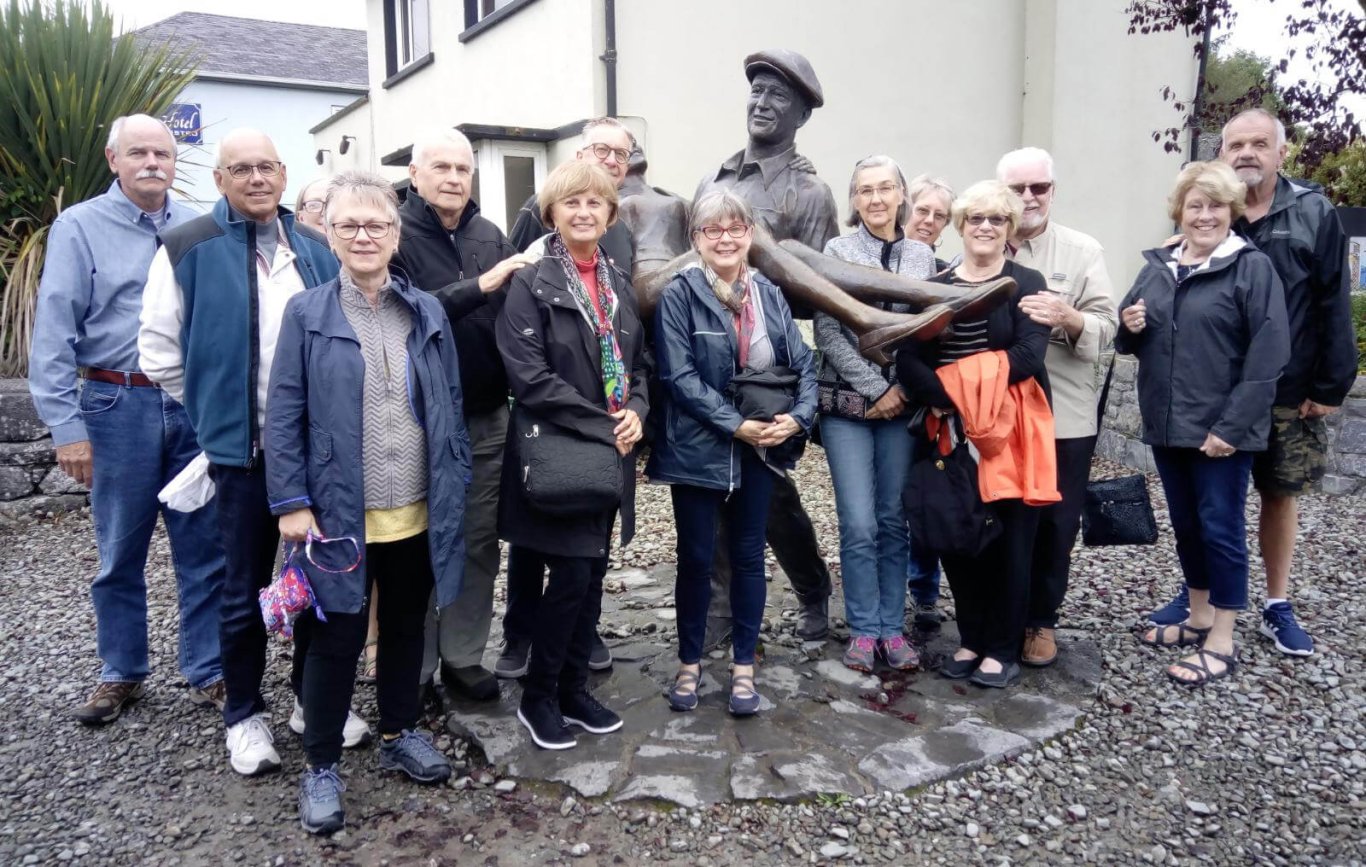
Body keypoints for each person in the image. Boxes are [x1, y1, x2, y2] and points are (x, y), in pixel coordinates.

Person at [266, 171, 470, 834]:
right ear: (328, 228)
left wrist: (454, 477)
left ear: (394, 233)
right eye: (349, 223)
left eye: (376, 224)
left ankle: (398, 733)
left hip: (414, 503)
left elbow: (449, 403)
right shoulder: (308, 312)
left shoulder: (426, 311)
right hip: (337, 513)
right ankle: (321, 763)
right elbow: (285, 412)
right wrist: (293, 501)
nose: (363, 235)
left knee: (407, 626)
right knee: (335, 637)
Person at [138, 128, 343, 775]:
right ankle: (244, 715)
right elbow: (159, 353)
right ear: (220, 180)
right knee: (243, 586)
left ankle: (311, 700)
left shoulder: (314, 248)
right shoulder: (187, 247)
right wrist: (214, 411)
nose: (256, 178)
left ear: (284, 175)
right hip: (241, 453)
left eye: (267, 167)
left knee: (318, 577)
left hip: (315, 451)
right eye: (241, 169)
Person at [27, 114, 226, 725]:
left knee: (205, 546)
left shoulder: (200, 227)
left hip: (191, 404)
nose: (152, 163)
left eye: (162, 153)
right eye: (137, 152)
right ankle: (121, 671)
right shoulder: (80, 227)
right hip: (117, 406)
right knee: (119, 549)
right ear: (113, 159)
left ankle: (209, 667)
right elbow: (53, 333)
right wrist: (68, 429)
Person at [1149, 109, 1359, 658]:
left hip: (1288, 388)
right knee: (1211, 504)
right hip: (1217, 392)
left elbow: (1333, 300)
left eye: (1259, 144)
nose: (1246, 153)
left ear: (1280, 152)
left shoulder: (1312, 213)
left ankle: (1275, 602)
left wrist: (1332, 384)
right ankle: (1204, 598)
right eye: (1235, 144)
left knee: (1277, 493)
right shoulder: (1216, 211)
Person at [1118, 160, 1290, 686]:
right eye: (1195, 205)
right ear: (1179, 211)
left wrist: (1231, 429)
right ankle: (1197, 616)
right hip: (1170, 426)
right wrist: (1130, 325)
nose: (1205, 215)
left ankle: (1223, 637)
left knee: (1221, 529)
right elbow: (1130, 336)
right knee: (1188, 527)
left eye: (1216, 205)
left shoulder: (1250, 268)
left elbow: (1270, 356)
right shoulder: (1159, 267)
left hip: (1221, 432)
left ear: (1232, 211)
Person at [496, 161, 649, 750]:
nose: (584, 213)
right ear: (551, 213)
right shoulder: (530, 282)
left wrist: (637, 407)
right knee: (570, 576)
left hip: (610, 447)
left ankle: (572, 688)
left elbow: (641, 364)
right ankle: (539, 698)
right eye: (571, 203)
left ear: (610, 214)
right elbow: (529, 378)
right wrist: (604, 423)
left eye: (595, 204)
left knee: (591, 577)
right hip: (560, 449)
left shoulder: (615, 280)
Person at [649, 190, 818, 714]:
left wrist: (798, 416)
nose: (725, 238)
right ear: (696, 239)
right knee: (696, 561)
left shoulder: (768, 292)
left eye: (735, 228)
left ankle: (744, 668)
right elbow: (677, 375)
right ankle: (690, 664)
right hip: (698, 452)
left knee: (748, 559)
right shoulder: (679, 294)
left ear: (749, 234)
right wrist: (735, 424)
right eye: (712, 230)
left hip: (761, 450)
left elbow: (805, 365)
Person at [693, 48, 836, 644]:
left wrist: (760, 287)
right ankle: (722, 608)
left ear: (801, 113)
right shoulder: (713, 180)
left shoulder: (810, 193)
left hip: (768, 367)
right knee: (713, 482)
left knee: (770, 488)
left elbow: (817, 292)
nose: (761, 102)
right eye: (756, 90)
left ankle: (812, 586)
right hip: (707, 358)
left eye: (778, 94)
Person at [392, 128, 534, 702]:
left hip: (484, 415)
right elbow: (408, 313)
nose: (453, 178)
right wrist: (483, 283)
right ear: (415, 171)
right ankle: (415, 664)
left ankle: (463, 656)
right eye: (442, 167)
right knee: (418, 543)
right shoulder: (393, 233)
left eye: (463, 169)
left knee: (478, 540)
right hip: (414, 420)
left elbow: (515, 316)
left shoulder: (488, 234)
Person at [895, 181, 1052, 689]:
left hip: (1010, 434)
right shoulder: (935, 285)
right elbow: (909, 358)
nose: (986, 227)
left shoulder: (1026, 281)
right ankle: (971, 637)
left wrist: (958, 387)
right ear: (960, 226)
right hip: (947, 431)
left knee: (1010, 539)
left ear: (1009, 230)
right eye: (976, 218)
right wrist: (949, 399)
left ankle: (1002, 648)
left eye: (997, 220)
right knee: (958, 534)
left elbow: (1029, 355)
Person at [997, 147, 1118, 667]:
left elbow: (1108, 328)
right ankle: (995, 617)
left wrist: (1069, 317)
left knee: (1055, 522)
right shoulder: (984, 242)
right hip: (997, 414)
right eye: (1018, 189)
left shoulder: (1081, 250)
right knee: (997, 514)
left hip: (1062, 413)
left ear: (1053, 191)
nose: (1029, 198)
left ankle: (1040, 620)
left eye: (1039, 188)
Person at [816, 156, 930, 672]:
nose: (877, 198)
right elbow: (829, 331)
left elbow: (930, 332)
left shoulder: (924, 256)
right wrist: (873, 387)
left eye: (886, 188)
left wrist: (901, 386)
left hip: (903, 406)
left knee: (893, 517)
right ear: (855, 199)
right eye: (866, 190)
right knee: (858, 521)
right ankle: (863, 628)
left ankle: (891, 625)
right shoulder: (836, 252)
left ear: (902, 194)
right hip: (848, 409)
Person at [905, 174, 957, 273]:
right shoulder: (878, 258)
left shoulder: (945, 275)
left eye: (939, 216)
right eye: (923, 211)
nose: (930, 220)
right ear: (905, 212)